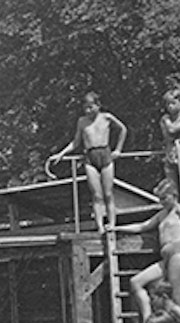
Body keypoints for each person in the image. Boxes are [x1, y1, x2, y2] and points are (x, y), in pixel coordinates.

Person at [110, 179, 180, 323]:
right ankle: (148, 322)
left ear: (174, 196)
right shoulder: (162, 214)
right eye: (160, 199)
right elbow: (143, 226)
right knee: (136, 282)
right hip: (166, 258)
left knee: (175, 299)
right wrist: (116, 228)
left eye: (165, 198)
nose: (162, 202)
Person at [49, 91, 128, 226]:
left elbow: (123, 129)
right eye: (85, 108)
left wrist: (118, 149)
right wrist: (61, 154)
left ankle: (112, 225)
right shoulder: (82, 121)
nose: (88, 111)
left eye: (90, 107)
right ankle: (100, 227)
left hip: (105, 154)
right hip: (90, 157)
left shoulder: (106, 117)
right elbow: (76, 142)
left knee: (108, 194)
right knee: (97, 195)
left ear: (98, 105)